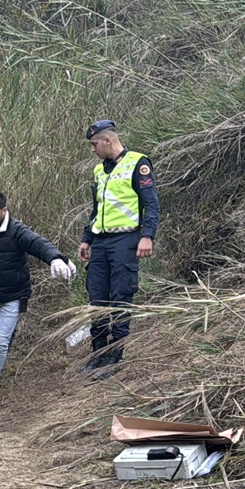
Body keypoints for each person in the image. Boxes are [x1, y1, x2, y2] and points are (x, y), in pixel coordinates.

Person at [0, 190, 75, 403]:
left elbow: (38, 244)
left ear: (4, 210)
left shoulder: (16, 230)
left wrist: (56, 258)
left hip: (13, 295)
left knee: (1, 343)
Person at [78, 119, 160, 375]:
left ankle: (116, 353)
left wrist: (148, 236)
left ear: (108, 140)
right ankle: (98, 351)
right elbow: (97, 209)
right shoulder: (99, 171)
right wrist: (86, 238)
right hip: (101, 241)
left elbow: (152, 204)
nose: (92, 150)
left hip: (126, 239)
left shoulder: (138, 163)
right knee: (97, 297)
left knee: (121, 295)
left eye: (94, 144)